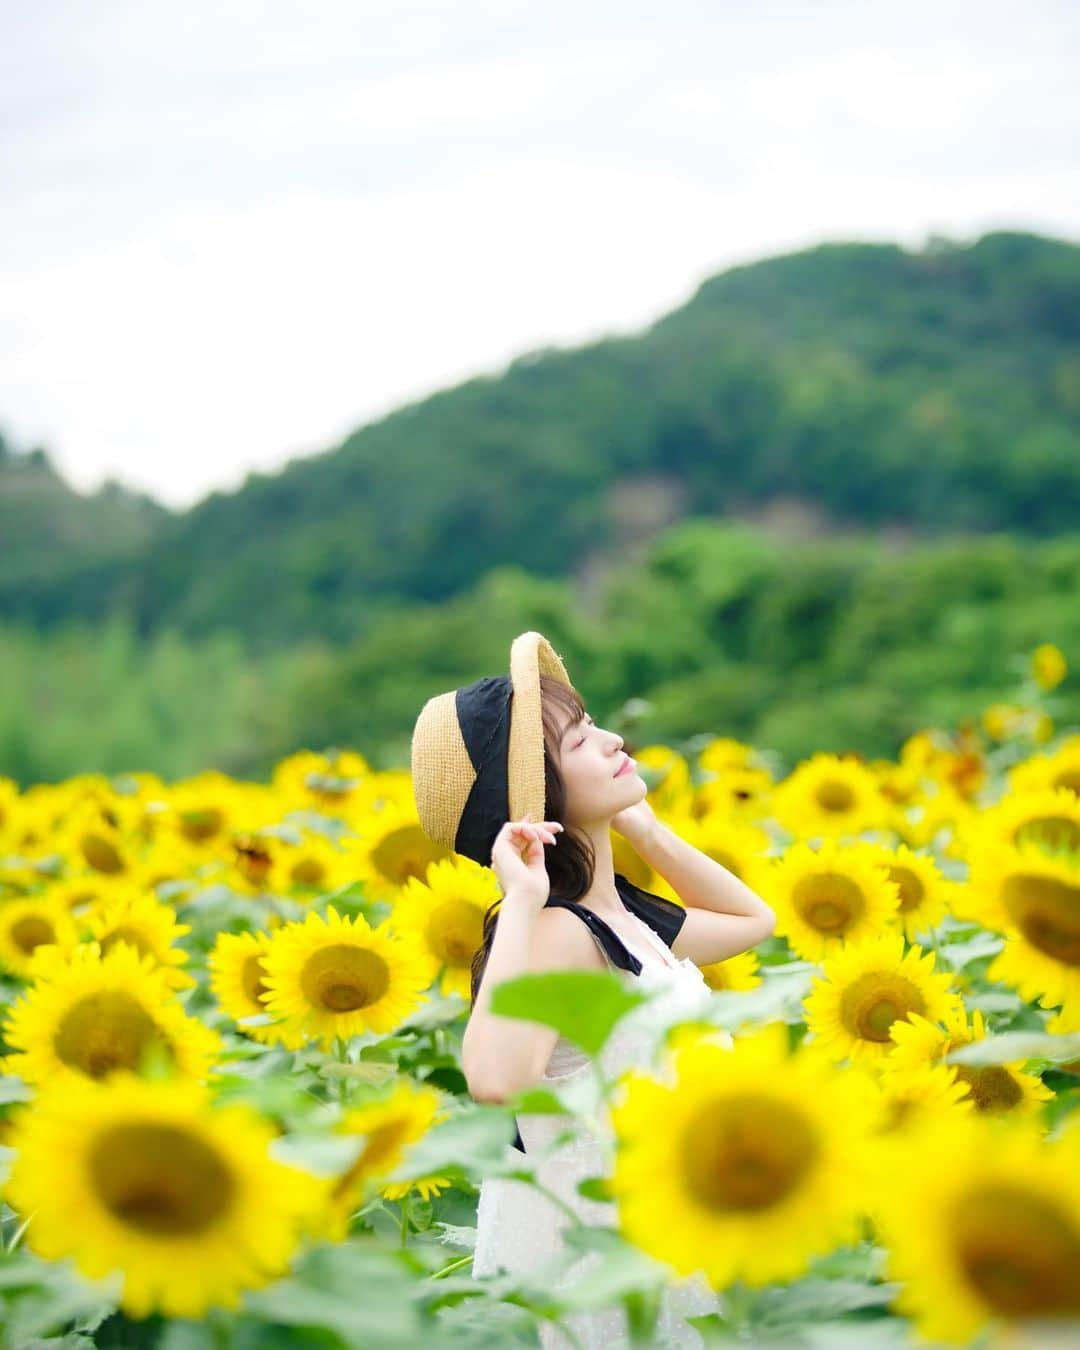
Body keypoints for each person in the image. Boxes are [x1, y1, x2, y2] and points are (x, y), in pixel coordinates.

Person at [410, 632, 776, 1348]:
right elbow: (494, 1079)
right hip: (606, 1267)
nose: (612, 740)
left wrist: (649, 831)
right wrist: (518, 900)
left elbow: (752, 919)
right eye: (580, 739)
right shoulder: (557, 932)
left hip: (661, 1240)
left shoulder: (622, 922)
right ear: (542, 793)